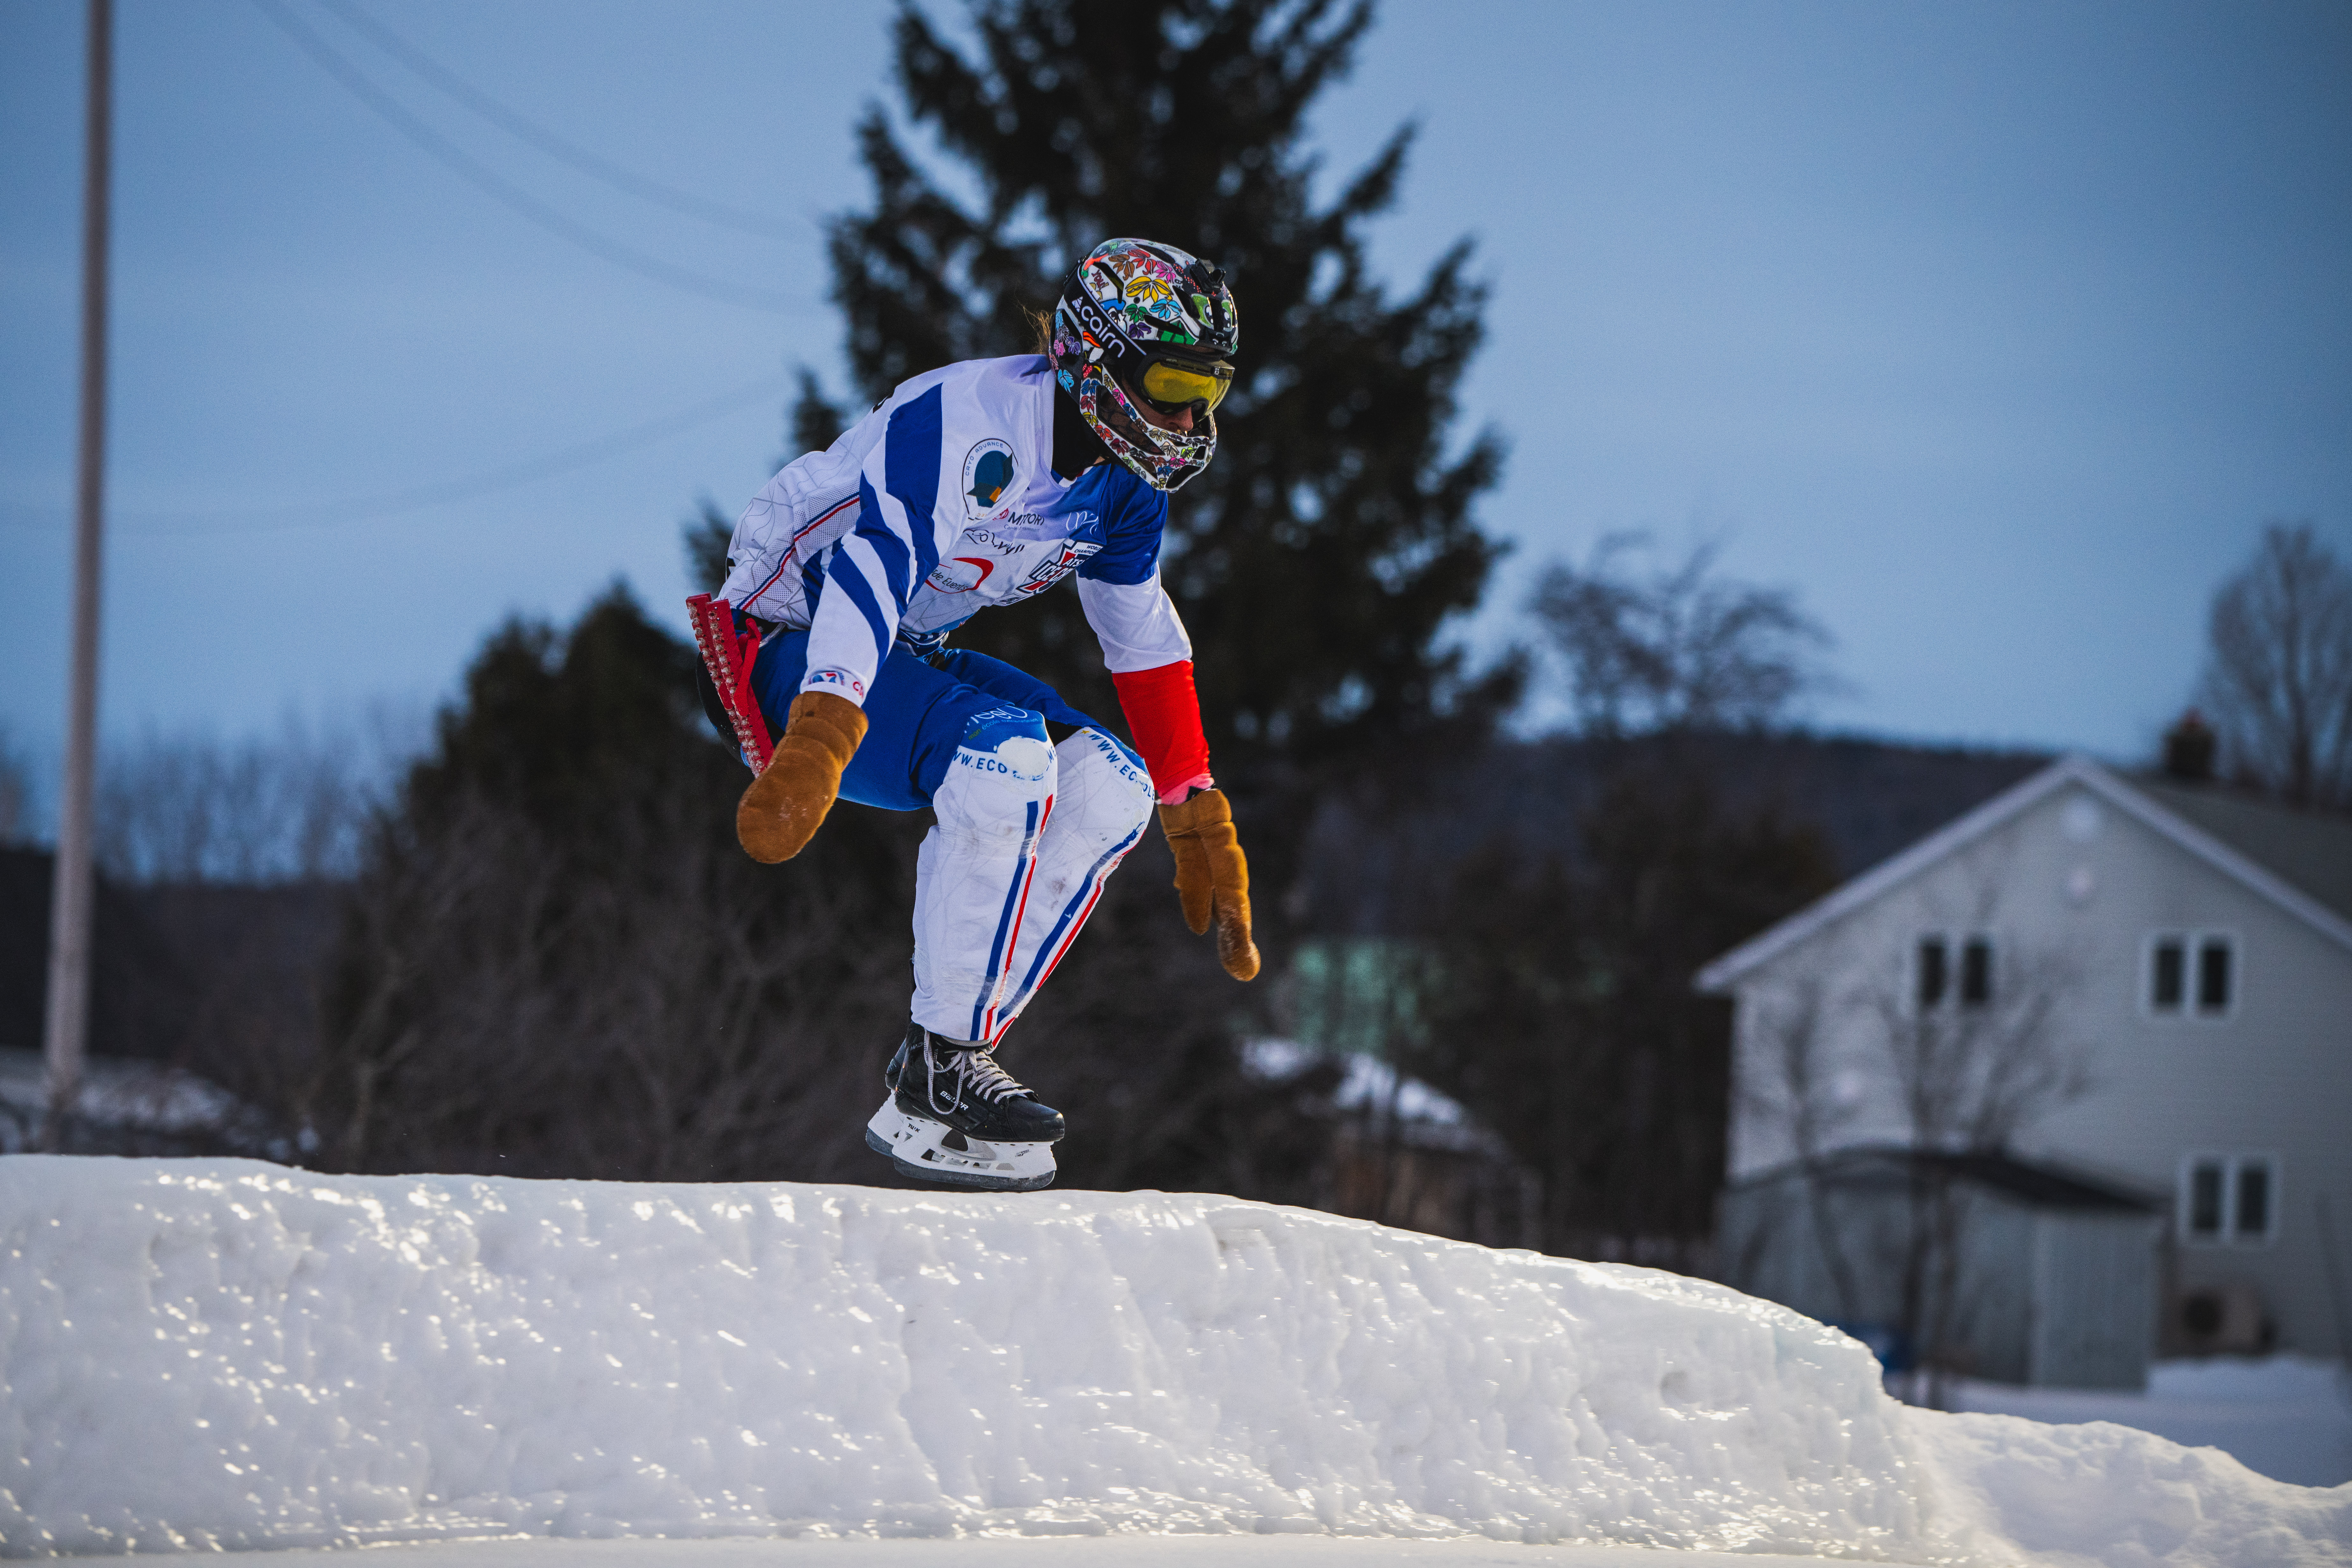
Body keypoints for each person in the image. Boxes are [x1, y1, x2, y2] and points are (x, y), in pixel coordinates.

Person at [697, 238, 1257, 1192]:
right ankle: (941, 1074)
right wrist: (823, 733)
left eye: (1210, 395)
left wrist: (1191, 800)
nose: (1188, 419)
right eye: (1170, 384)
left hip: (897, 651)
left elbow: (1141, 634)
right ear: (1096, 353)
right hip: (785, 640)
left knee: (1109, 786)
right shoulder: (967, 424)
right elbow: (871, 568)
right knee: (1006, 758)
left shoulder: (1125, 486)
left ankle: (949, 1052)